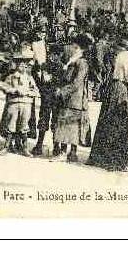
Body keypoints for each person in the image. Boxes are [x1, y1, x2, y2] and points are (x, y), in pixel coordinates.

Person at [87, 38, 128, 171]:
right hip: (121, 90)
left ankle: (99, 157)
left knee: (106, 122)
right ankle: (115, 161)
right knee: (119, 123)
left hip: (112, 88)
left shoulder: (119, 56)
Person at [50, 33, 92, 163]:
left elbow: (77, 82)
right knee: (69, 125)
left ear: (79, 48)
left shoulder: (82, 63)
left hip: (74, 99)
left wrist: (62, 91)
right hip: (71, 99)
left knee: (68, 125)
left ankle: (66, 153)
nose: (71, 48)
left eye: (74, 46)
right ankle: (71, 154)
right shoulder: (74, 60)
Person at [0, 49, 39, 157]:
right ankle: (6, 146)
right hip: (14, 103)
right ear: (17, 65)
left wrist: (28, 92)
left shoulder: (29, 78)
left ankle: (25, 148)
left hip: (26, 103)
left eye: (25, 64)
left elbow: (36, 91)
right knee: (11, 125)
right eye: (21, 64)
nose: (23, 66)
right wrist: (14, 90)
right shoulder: (11, 77)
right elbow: (4, 87)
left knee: (24, 126)